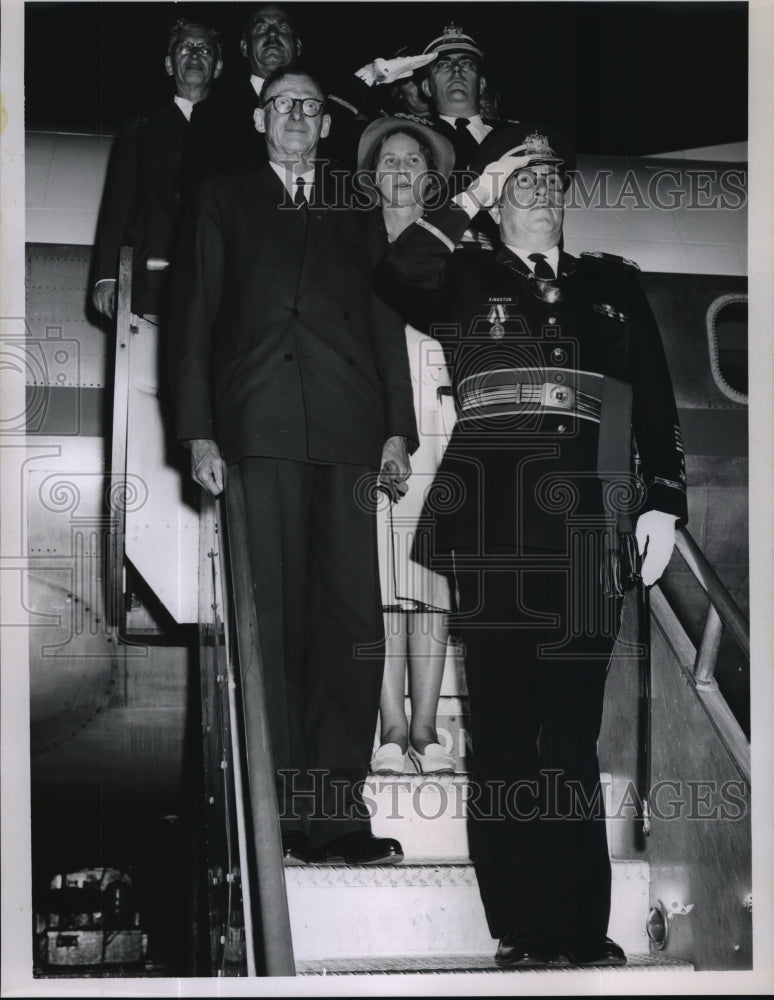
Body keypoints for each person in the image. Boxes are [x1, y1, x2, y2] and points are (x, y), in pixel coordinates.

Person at [377, 124, 687, 965]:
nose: (542, 188)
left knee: (572, 731)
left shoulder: (611, 284)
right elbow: (398, 272)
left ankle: (580, 926)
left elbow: (652, 401)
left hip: (589, 530)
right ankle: (520, 924)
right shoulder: (464, 273)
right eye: (522, 178)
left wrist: (661, 502)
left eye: (551, 176)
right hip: (495, 529)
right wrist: (468, 196)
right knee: (510, 733)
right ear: (496, 194)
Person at [170, 69, 418, 866]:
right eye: (284, 104)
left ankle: (335, 815)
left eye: (310, 105)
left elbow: (386, 320)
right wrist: (200, 432)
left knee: (349, 625)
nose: (298, 116)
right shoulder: (222, 196)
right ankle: (274, 813)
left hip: (348, 427)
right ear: (259, 118)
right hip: (260, 424)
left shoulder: (356, 202)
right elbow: (192, 319)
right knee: (271, 624)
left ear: (325, 123)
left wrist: (397, 430)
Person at [355, 117, 457, 776]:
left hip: (443, 419)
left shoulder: (457, 249)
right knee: (379, 577)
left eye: (410, 160)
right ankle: (389, 725)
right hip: (370, 417)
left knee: (431, 577)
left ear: (429, 176)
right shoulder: (350, 244)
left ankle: (426, 729)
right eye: (387, 160)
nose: (399, 170)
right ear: (372, 178)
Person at [91, 18, 222, 318]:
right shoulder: (141, 129)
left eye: (204, 49)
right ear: (168, 64)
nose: (194, 54)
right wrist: (106, 277)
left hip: (218, 283)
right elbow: (118, 205)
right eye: (185, 47)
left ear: (217, 67)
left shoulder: (234, 132)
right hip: (153, 283)